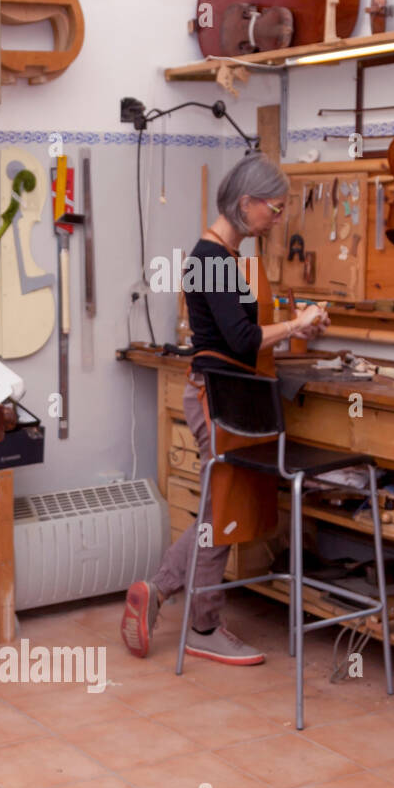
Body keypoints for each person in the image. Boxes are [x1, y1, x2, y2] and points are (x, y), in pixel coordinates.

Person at [121, 153, 329, 666]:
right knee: (222, 510)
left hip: (234, 397)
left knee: (223, 507)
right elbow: (240, 339)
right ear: (245, 203)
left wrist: (295, 323)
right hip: (218, 399)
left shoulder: (230, 258)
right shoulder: (210, 259)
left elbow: (245, 328)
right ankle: (197, 620)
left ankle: (175, 599)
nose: (278, 219)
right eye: (274, 209)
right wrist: (296, 326)